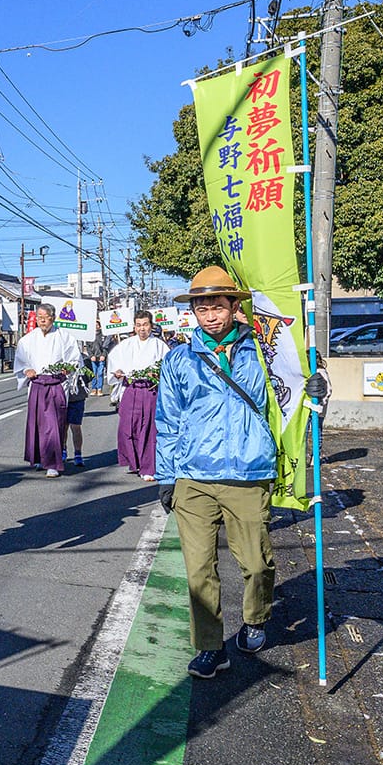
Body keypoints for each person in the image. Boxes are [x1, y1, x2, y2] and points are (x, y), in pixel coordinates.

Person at [154, 267, 327, 680]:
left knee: (256, 563)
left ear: (235, 306)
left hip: (250, 474)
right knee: (199, 570)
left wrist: (319, 384)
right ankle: (211, 647)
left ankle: (255, 617)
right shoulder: (179, 359)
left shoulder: (266, 352)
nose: (209, 315)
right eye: (201, 307)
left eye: (217, 306)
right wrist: (166, 475)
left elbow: (300, 389)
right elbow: (168, 420)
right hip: (193, 477)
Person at [13, 304, 81, 477]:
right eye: (39, 316)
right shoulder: (28, 339)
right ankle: (40, 459)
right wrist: (26, 370)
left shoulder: (65, 337)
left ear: (53, 317)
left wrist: (69, 368)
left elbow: (75, 360)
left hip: (56, 384)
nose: (42, 320)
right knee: (37, 423)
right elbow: (21, 361)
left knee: (54, 423)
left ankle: (53, 463)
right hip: (36, 383)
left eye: (46, 316)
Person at [108, 310, 170, 481]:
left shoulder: (160, 345)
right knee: (128, 427)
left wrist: (158, 375)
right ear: (134, 327)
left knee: (149, 428)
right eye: (139, 325)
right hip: (131, 389)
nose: (142, 329)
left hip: (150, 390)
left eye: (145, 324)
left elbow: (167, 368)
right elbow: (114, 364)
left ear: (151, 326)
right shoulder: (125, 345)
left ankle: (148, 466)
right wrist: (117, 372)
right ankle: (134, 462)